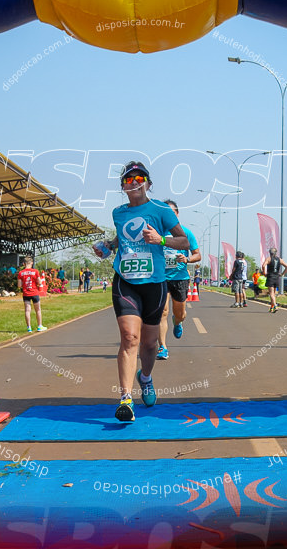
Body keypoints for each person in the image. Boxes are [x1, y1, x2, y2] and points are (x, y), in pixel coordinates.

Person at [95, 162, 189, 422]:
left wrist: (161, 240)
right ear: (123, 186)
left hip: (154, 283)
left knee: (149, 344)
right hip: (125, 281)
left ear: (148, 183)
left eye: (139, 177)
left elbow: (184, 242)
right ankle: (125, 399)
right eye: (128, 179)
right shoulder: (118, 213)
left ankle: (145, 378)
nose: (133, 182)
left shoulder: (160, 210)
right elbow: (121, 239)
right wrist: (107, 246)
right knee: (129, 338)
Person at [157, 200, 201, 359]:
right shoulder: (157, 232)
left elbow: (197, 255)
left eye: (171, 212)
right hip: (160, 278)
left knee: (180, 313)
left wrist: (187, 259)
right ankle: (162, 347)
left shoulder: (186, 233)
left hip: (180, 277)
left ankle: (178, 321)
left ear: (177, 214)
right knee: (162, 312)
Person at [17, 256, 46, 332]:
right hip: (34, 293)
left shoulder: (21, 273)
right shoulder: (35, 271)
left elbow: (19, 285)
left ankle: (29, 327)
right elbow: (39, 282)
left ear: (24, 264)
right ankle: (39, 326)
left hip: (26, 293)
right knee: (38, 310)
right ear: (32, 263)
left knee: (27, 310)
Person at [260, 247, 287, 313]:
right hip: (276, 277)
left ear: (270, 253)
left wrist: (264, 273)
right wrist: (282, 274)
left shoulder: (269, 259)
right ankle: (272, 307)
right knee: (273, 293)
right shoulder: (279, 259)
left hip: (270, 277)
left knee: (271, 293)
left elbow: (263, 265)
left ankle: (275, 305)